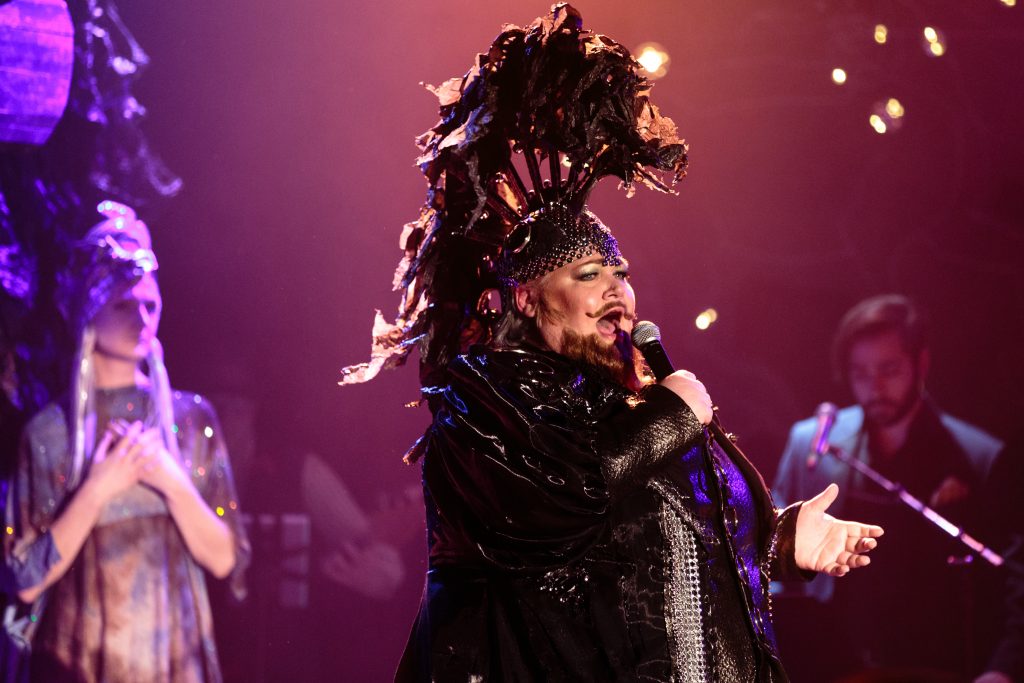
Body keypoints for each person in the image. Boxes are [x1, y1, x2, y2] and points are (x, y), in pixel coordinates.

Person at [342, 6, 882, 680]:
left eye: (621, 274)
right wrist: (676, 416)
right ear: (526, 297)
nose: (617, 290)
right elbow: (559, 501)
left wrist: (775, 540)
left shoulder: (626, 406)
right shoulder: (481, 398)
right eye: (590, 274)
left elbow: (650, 550)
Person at [2, 200, 249, 682]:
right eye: (122, 304)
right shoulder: (51, 433)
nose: (142, 317)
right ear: (89, 310)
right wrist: (96, 490)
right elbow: (25, 580)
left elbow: (224, 559)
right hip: (79, 662)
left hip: (174, 663)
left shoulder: (189, 418)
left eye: (150, 304)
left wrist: (174, 483)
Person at [772, 294, 1011, 681]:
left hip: (939, 665)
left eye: (889, 369)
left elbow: (1011, 584)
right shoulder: (811, 444)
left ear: (921, 363)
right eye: (860, 373)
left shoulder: (979, 457)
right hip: (831, 666)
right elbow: (772, 555)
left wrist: (1004, 670)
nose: (875, 387)